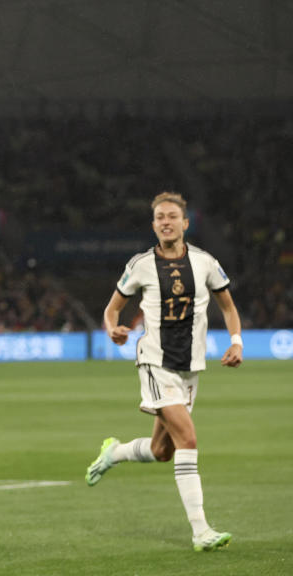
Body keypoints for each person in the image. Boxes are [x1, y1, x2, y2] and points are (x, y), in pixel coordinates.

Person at [85, 192, 242, 552]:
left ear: (185, 223)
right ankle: (201, 530)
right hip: (155, 361)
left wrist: (237, 342)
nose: (166, 222)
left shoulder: (205, 262)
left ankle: (115, 452)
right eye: (160, 217)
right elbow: (112, 309)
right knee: (188, 439)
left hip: (190, 366)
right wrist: (113, 329)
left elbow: (228, 307)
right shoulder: (140, 264)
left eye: (172, 216)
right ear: (153, 224)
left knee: (161, 450)